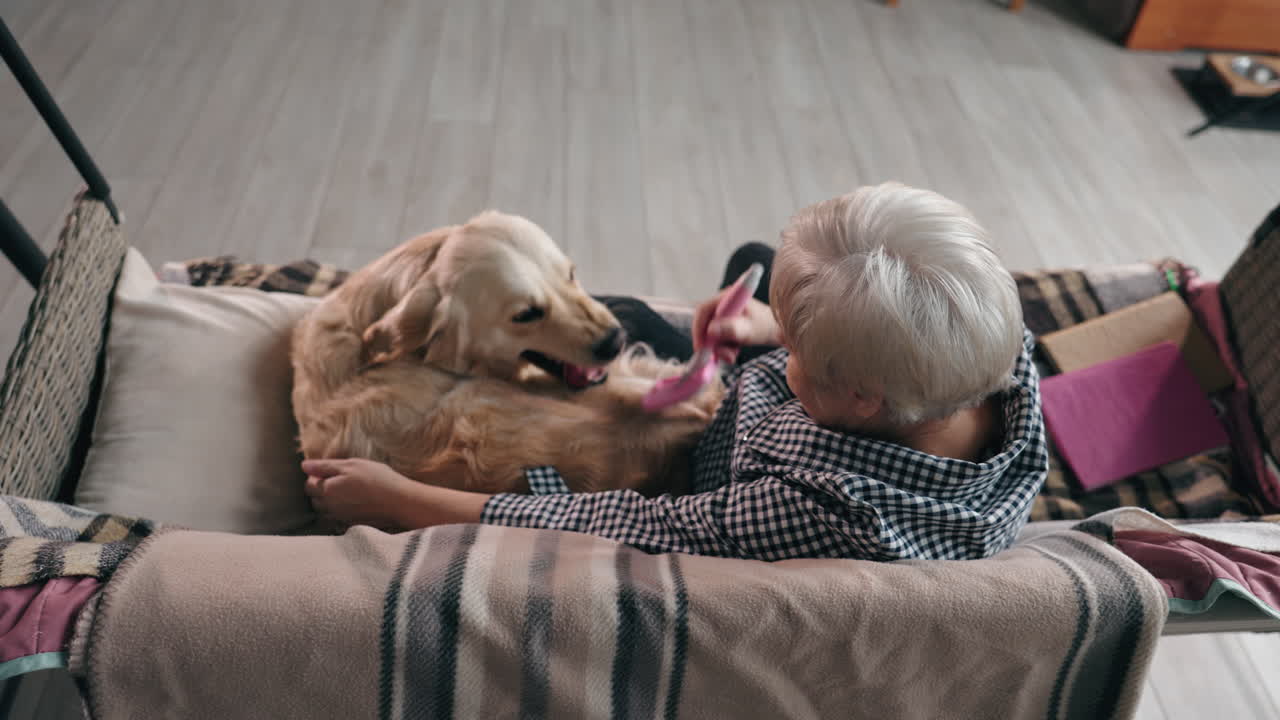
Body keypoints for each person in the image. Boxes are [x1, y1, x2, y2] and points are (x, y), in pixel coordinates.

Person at [302, 183, 1049, 561]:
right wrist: (762, 328)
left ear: (858, 393)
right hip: (772, 405)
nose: (783, 358)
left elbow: (628, 524)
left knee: (623, 313)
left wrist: (408, 500)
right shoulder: (995, 351)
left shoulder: (826, 511)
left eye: (799, 358)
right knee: (744, 269)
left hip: (704, 461)